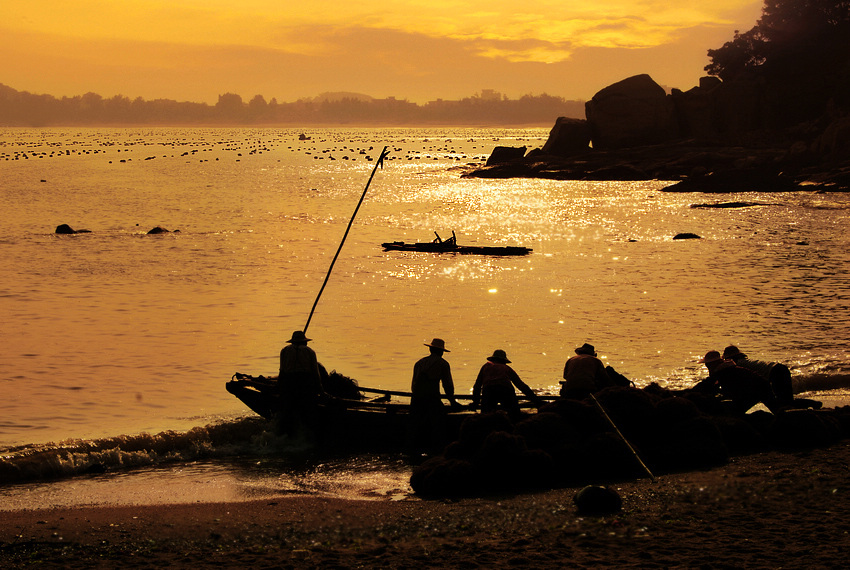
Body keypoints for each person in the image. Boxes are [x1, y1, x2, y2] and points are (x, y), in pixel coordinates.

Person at [409, 338, 459, 454]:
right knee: (438, 423)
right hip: (431, 398)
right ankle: (437, 448)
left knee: (415, 424)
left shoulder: (419, 362)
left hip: (416, 398)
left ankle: (412, 447)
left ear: (430, 349)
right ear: (441, 352)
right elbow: (447, 385)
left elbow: (414, 384)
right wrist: (452, 401)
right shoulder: (443, 364)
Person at [699, 350, 779, 414]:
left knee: (735, 411)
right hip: (760, 387)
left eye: (708, 365)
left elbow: (708, 384)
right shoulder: (727, 369)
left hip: (758, 389)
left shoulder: (722, 372)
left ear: (712, 364)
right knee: (777, 410)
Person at [277, 330, 325, 435]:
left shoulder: (284, 351)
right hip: (305, 384)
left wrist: (279, 388)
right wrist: (321, 390)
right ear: (304, 342)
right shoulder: (309, 352)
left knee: (287, 411)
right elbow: (315, 373)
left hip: (288, 384)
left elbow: (282, 371)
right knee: (309, 412)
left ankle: (285, 432)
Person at [470, 349, 542, 419]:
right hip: (505, 390)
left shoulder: (485, 366)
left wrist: (475, 401)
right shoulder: (507, 368)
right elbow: (521, 385)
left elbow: (477, 386)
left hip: (489, 391)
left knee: (486, 415)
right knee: (514, 414)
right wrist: (536, 400)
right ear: (504, 361)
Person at [721, 345, 794, 406]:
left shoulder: (737, 364)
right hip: (779, 367)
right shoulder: (745, 361)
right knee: (786, 399)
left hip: (775, 372)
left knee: (782, 400)